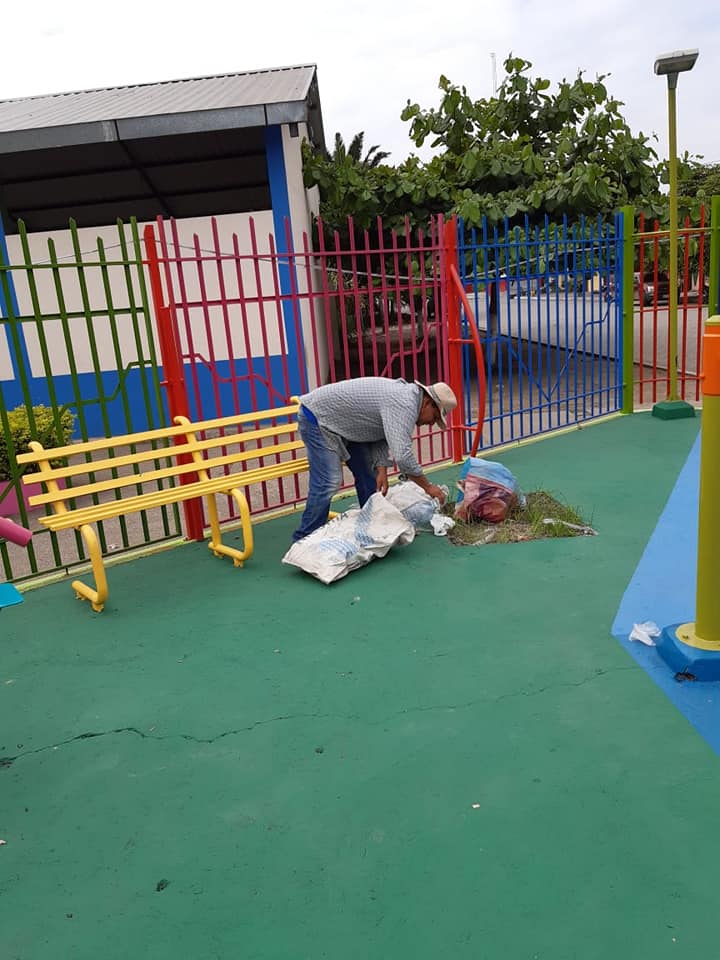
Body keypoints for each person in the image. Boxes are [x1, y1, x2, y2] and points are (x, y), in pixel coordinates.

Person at [292, 377, 457, 542]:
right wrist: (428, 487)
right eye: (435, 417)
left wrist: (381, 467)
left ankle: (371, 527)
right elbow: (403, 456)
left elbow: (379, 431)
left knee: (368, 474)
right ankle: (305, 539)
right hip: (318, 418)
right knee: (328, 482)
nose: (431, 423)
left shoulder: (408, 400)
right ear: (427, 403)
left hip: (345, 424)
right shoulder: (405, 404)